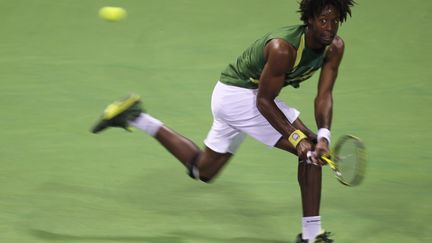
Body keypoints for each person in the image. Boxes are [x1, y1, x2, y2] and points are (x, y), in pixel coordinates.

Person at [91, 0, 355, 242]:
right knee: (307, 150)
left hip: (236, 96)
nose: (329, 28)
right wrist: (299, 139)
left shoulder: (335, 48)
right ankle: (312, 235)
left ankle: (135, 116)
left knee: (203, 171)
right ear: (309, 20)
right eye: (323, 20)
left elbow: (324, 95)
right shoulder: (283, 48)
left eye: (334, 21)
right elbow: (264, 101)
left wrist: (324, 134)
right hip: (238, 96)